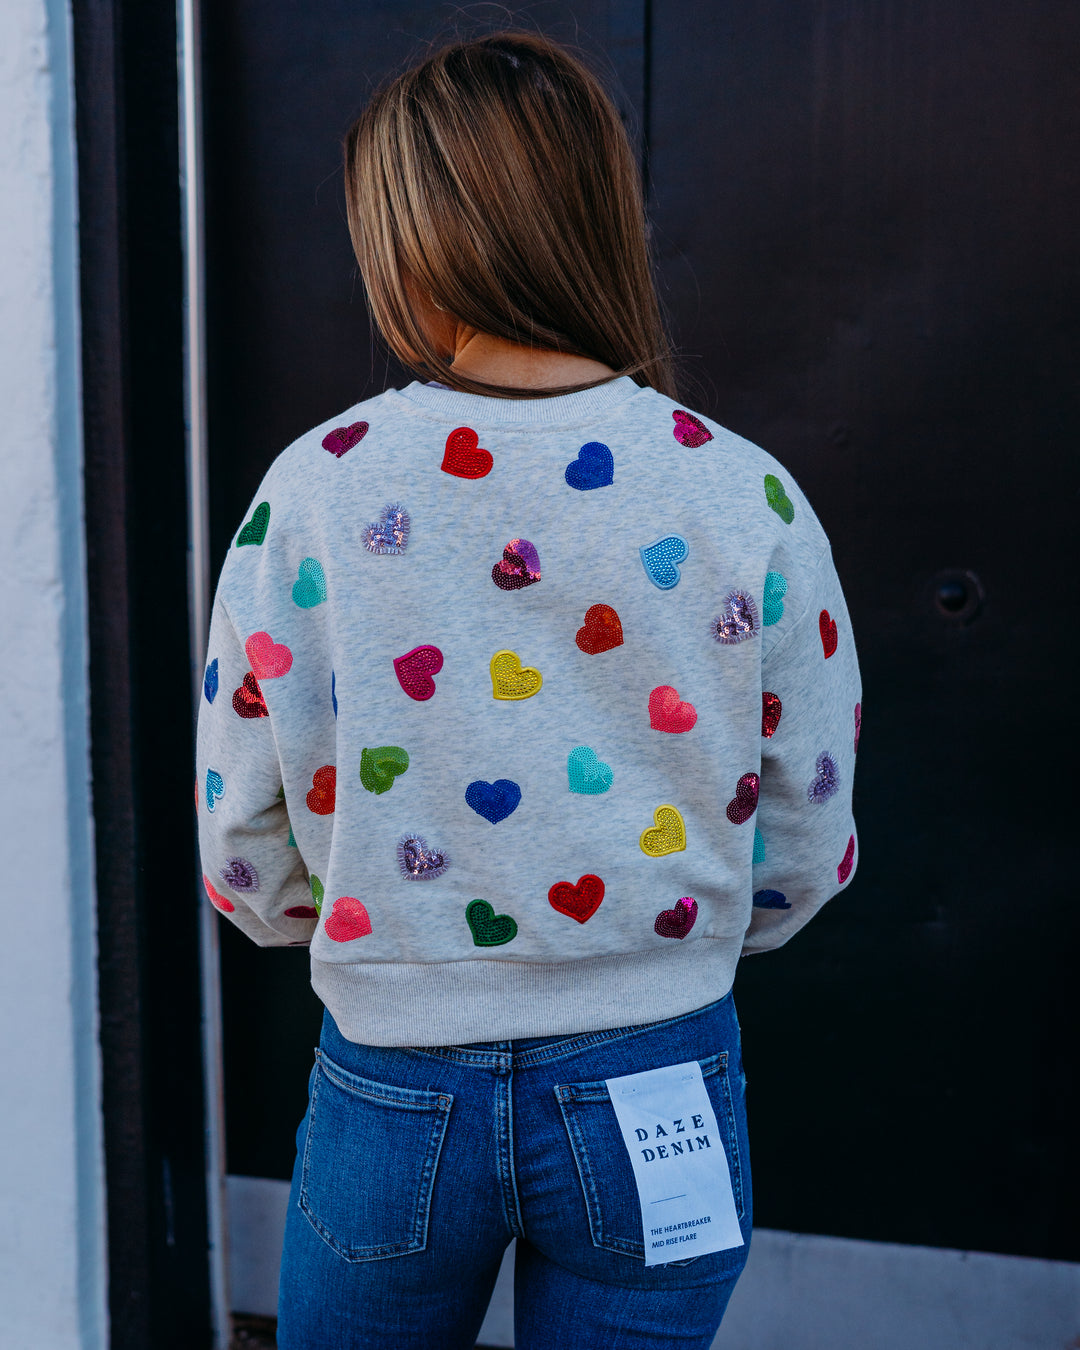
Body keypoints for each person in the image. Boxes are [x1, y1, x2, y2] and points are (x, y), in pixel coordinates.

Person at [196, 30, 861, 1350]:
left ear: (407, 238)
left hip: (394, 1089)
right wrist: (678, 948)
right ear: (599, 217)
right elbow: (807, 830)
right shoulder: (747, 494)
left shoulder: (316, 490)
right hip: (657, 1069)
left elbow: (242, 841)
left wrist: (386, 940)